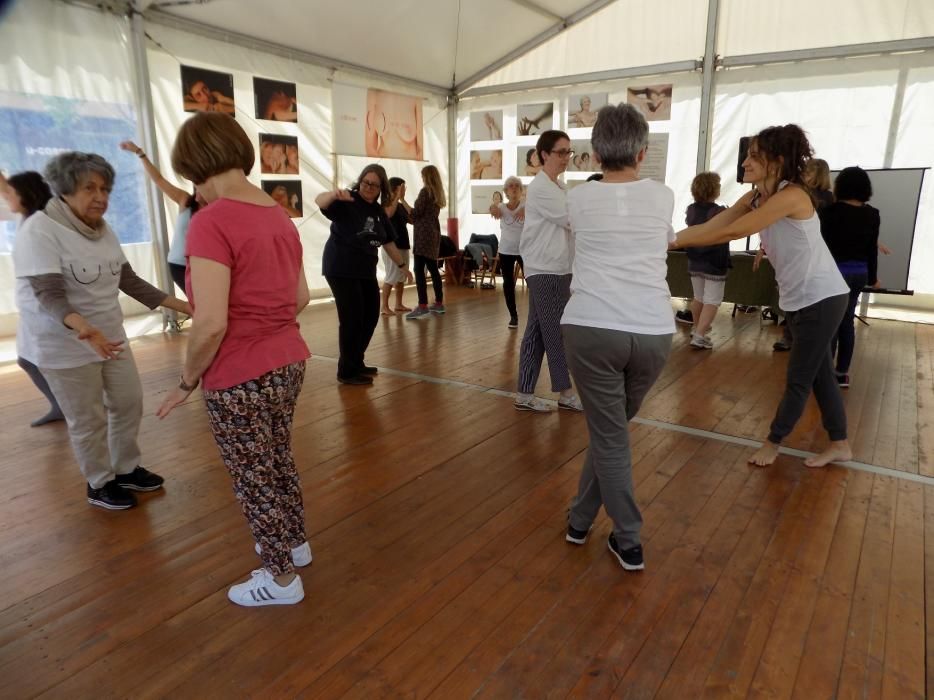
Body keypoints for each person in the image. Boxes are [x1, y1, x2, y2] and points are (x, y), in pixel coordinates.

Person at [158, 111, 311, 607]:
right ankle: (295, 544)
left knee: (252, 477)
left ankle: (282, 580)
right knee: (276, 457)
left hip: (239, 371)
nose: (193, 191)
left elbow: (210, 323)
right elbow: (301, 297)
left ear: (197, 165)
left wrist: (185, 381)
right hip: (289, 359)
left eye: (191, 178)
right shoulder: (277, 215)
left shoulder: (211, 223)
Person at [14, 151, 190, 509]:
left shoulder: (102, 227)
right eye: (90, 188)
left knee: (127, 402)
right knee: (87, 419)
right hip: (65, 344)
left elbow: (129, 280)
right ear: (64, 189)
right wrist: (84, 328)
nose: (101, 197)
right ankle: (99, 482)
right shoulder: (41, 230)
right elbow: (48, 295)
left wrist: (187, 307)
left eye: (106, 188)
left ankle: (125, 469)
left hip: (109, 336)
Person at [672, 124, 851, 469]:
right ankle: (840, 443)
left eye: (754, 156)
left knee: (800, 377)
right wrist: (669, 239)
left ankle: (774, 442)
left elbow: (736, 230)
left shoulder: (792, 195)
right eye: (747, 155)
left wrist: (682, 241)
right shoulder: (757, 196)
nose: (745, 163)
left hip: (822, 298)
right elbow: (716, 223)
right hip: (801, 299)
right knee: (821, 375)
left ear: (777, 161)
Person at [562, 103, 675, 572]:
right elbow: (665, 240)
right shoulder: (663, 195)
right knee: (611, 432)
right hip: (652, 333)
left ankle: (628, 538)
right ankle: (580, 519)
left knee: (609, 436)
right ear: (643, 152)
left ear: (594, 153)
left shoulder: (578, 198)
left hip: (591, 328)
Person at [316, 165, 413, 383]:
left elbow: (387, 240)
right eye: (366, 182)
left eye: (374, 185)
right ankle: (347, 371)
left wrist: (402, 265)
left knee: (369, 316)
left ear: (381, 188)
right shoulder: (347, 200)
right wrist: (333, 194)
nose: (368, 187)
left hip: (364, 270)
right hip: (341, 267)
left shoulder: (378, 211)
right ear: (360, 181)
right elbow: (319, 202)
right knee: (352, 319)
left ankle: (356, 361)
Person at [513, 130, 582, 413]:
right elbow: (570, 219)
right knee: (555, 331)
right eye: (561, 152)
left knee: (537, 332)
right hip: (546, 268)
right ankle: (565, 392)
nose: (567, 158)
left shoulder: (558, 188)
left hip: (556, 267)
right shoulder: (541, 187)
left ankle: (524, 394)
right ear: (544, 155)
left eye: (569, 152)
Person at [1, 169, 63, 426]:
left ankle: (71, 405)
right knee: (28, 360)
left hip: (44, 307)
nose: (7, 198)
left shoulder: (41, 221)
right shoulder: (26, 219)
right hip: (33, 306)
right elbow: (5, 189)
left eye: (12, 193)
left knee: (34, 360)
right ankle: (61, 405)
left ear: (25, 195)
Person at [820, 166, 881, 388]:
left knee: (832, 322)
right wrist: (873, 278)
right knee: (846, 320)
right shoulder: (872, 214)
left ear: (840, 186)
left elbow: (821, 247)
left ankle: (826, 373)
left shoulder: (829, 212)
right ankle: (842, 373)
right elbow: (871, 249)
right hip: (859, 274)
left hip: (836, 274)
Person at [119, 140, 204, 292]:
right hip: (179, 263)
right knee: (198, 303)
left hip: (201, 265)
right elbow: (158, 179)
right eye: (197, 185)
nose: (199, 189)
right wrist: (140, 153)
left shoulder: (217, 208)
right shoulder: (185, 200)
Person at [684, 172, 729, 349]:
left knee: (699, 297)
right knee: (713, 299)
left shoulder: (691, 209)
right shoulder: (720, 211)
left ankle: (697, 329)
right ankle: (700, 335)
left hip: (694, 258)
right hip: (714, 261)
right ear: (715, 190)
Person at [406, 165, 447, 320]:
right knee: (433, 269)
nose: (421, 178)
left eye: (423, 176)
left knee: (418, 270)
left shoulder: (425, 192)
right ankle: (438, 303)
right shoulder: (437, 193)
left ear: (427, 177)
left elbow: (415, 214)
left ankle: (422, 305)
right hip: (433, 233)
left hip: (423, 235)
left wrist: (402, 200)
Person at [490, 176, 525, 328]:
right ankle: (513, 316)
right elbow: (493, 208)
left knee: (532, 281)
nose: (514, 188)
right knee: (508, 283)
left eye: (517, 185)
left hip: (524, 250)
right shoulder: (502, 207)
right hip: (505, 250)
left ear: (521, 190)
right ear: (506, 191)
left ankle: (537, 314)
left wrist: (525, 208)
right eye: (511, 186)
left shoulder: (527, 205)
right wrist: (492, 208)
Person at [380, 176, 413, 316]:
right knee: (391, 276)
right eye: (403, 187)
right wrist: (396, 198)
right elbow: (388, 214)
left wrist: (403, 200)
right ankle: (384, 307)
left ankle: (398, 304)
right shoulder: (386, 203)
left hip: (403, 244)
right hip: (392, 246)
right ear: (396, 189)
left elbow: (412, 219)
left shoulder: (400, 205)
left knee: (401, 277)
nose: (405, 190)